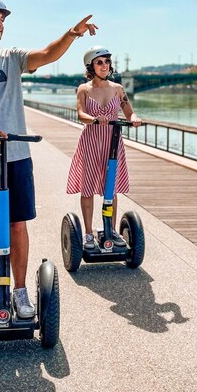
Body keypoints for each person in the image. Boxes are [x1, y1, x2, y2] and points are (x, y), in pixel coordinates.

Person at [0, 0, 97, 320]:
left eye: (2, 19)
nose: (0, 24)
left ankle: (20, 290)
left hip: (16, 156)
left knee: (16, 225)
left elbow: (46, 54)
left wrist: (72, 34)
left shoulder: (11, 59)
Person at [66, 46, 141, 249]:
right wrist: (94, 119)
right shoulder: (84, 89)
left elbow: (128, 111)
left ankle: (111, 229)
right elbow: (81, 114)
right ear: (91, 66)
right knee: (88, 187)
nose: (104, 65)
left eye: (107, 62)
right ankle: (89, 234)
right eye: (99, 62)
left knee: (111, 188)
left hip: (113, 141)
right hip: (91, 141)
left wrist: (134, 119)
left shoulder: (118, 89)